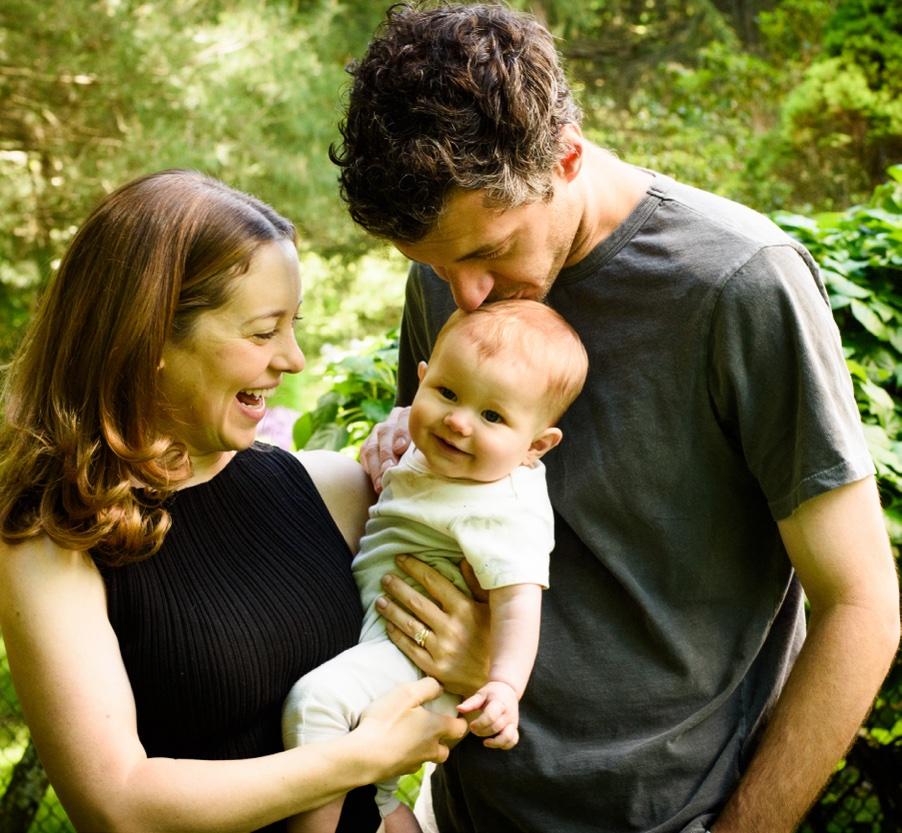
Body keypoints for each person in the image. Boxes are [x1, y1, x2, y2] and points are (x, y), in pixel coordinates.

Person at [331, 4, 901, 833]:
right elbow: (442, 503)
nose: (464, 298)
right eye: (433, 265)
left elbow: (861, 604)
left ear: (566, 157)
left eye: (489, 252)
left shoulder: (740, 284)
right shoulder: (450, 279)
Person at [0, 169, 471, 833]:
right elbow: (116, 804)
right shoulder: (53, 539)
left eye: (293, 326)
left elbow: (484, 611)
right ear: (150, 336)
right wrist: (358, 759)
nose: (294, 359)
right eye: (262, 332)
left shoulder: (334, 491)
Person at [282, 299, 588, 833]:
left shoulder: (505, 506)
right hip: (384, 634)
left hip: (420, 662)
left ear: (535, 446)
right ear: (421, 381)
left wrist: (504, 686)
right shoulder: (430, 453)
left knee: (316, 707)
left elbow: (519, 604)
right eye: (447, 392)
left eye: (492, 416)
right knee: (374, 794)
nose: (457, 421)